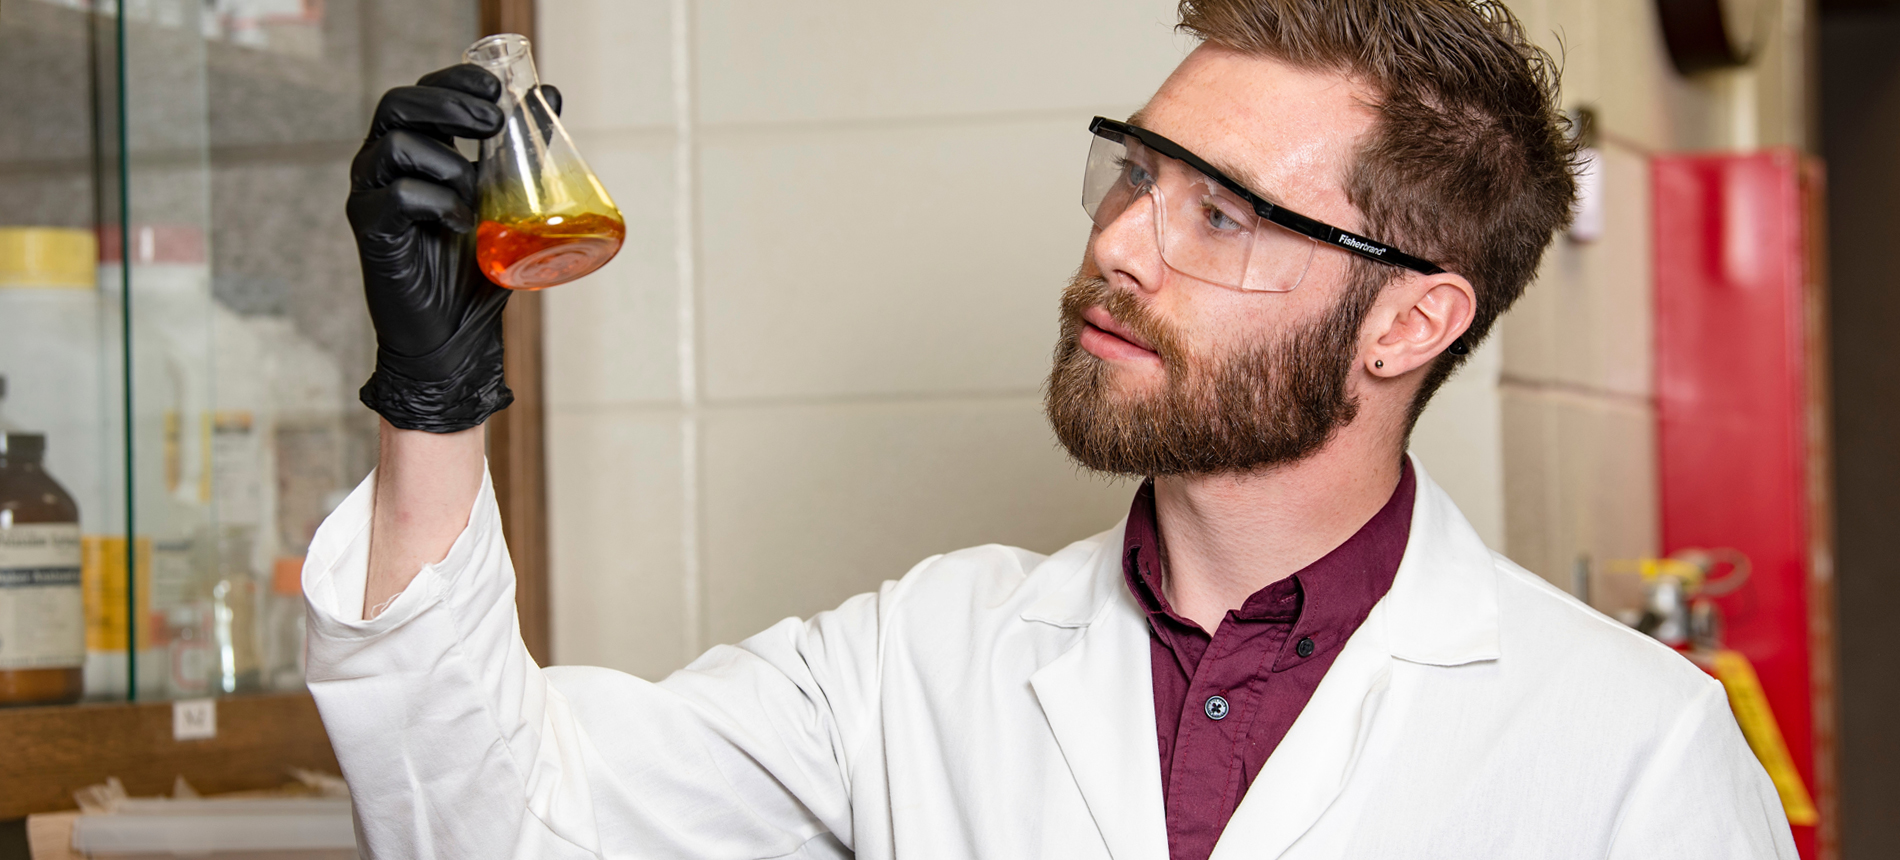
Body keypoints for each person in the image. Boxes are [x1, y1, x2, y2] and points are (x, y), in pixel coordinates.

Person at [314, 1, 1797, 857]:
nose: (1124, 245)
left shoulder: (1632, 753)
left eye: (1222, 211)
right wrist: (434, 402)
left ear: (1411, 322)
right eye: (1137, 175)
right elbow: (495, 827)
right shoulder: (922, 661)